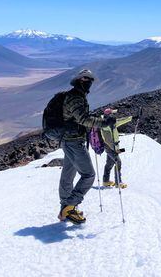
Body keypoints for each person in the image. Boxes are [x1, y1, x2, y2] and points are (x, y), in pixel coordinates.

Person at [58, 69, 116, 224]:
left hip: (69, 140)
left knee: (68, 175)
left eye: (90, 81)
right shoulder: (76, 97)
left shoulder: (75, 95)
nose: (89, 83)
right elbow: (83, 119)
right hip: (73, 141)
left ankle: (65, 210)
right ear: (79, 81)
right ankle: (70, 206)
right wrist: (104, 122)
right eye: (86, 80)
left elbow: (81, 118)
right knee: (89, 175)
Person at [100, 108, 132, 188]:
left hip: (113, 147)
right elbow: (107, 132)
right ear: (109, 115)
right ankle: (118, 182)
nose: (113, 115)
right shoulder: (105, 125)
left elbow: (121, 120)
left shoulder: (111, 123)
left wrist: (132, 118)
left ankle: (106, 181)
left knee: (109, 164)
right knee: (118, 162)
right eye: (112, 114)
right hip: (110, 147)